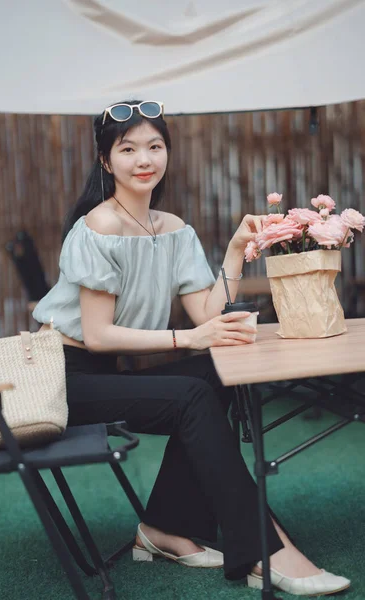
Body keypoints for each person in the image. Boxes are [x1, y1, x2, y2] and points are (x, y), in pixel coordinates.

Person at [33, 100, 350, 596]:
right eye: (128, 148)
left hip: (107, 373)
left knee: (212, 373)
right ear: (105, 161)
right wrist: (190, 338)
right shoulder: (100, 226)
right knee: (191, 394)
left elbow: (207, 313)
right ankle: (263, 549)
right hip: (61, 380)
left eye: (155, 146)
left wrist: (233, 253)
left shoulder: (173, 229)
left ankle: (164, 529)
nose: (144, 159)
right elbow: (96, 336)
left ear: (167, 153)